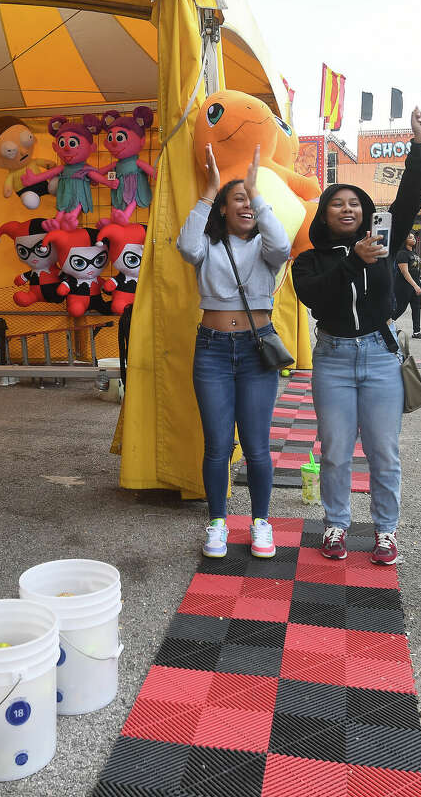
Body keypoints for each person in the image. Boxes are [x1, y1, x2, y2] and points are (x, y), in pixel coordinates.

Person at [293, 108, 421, 565]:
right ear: (325, 214)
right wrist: (354, 261)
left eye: (356, 203)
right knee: (334, 449)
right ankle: (336, 524)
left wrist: (419, 146)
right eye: (338, 202)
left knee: (383, 452)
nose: (348, 208)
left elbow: (410, 199)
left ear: (366, 212)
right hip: (332, 357)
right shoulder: (311, 260)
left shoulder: (386, 244)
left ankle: (386, 532)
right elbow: (317, 299)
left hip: (379, 356)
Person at [177, 143, 291, 560]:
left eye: (250, 199)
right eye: (238, 198)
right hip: (211, 350)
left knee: (257, 445)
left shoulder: (265, 249)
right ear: (223, 208)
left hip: (256, 350)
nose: (246, 204)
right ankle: (218, 523)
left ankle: (261, 522)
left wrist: (257, 193)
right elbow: (186, 247)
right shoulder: (207, 245)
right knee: (218, 445)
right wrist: (209, 189)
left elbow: (282, 245)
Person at [391, 232, 421, 339]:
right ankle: (385, 327)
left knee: (417, 308)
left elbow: (416, 268)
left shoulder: (414, 253)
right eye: (410, 237)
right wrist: (415, 286)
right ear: (405, 240)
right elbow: (405, 272)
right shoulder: (402, 253)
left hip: (416, 283)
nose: (413, 239)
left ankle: (416, 332)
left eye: (414, 237)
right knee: (400, 308)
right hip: (404, 285)